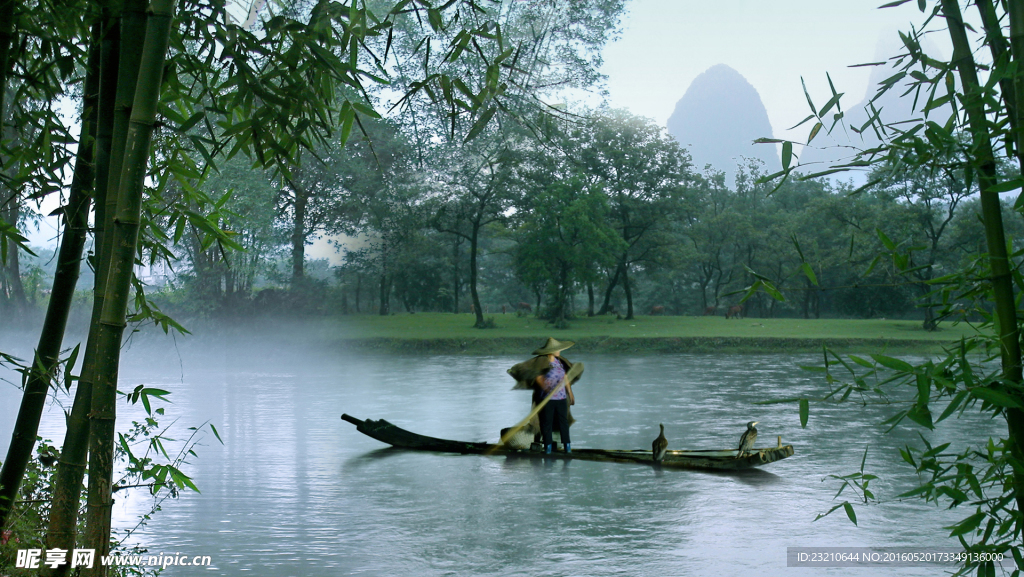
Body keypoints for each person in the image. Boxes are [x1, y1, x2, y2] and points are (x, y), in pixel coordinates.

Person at [507, 338, 583, 454]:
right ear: (551, 351)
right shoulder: (542, 362)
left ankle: (567, 446)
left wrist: (570, 393)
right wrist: (547, 388)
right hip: (547, 399)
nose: (559, 351)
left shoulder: (559, 362)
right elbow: (538, 377)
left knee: (563, 422)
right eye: (557, 349)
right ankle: (547, 447)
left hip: (561, 398)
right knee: (546, 422)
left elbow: (565, 377)